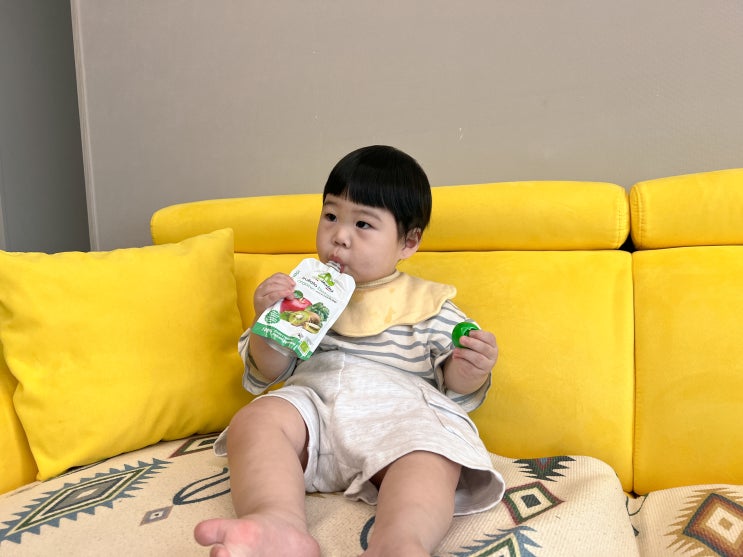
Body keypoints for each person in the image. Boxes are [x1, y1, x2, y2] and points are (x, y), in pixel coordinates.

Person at [194, 145, 504, 557]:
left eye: (362, 223)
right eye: (330, 216)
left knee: (432, 453)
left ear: (408, 242)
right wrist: (268, 326)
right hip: (314, 411)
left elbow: (455, 389)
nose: (340, 235)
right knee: (257, 420)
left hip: (401, 422)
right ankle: (277, 522)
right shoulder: (301, 294)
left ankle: (399, 542)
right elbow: (268, 373)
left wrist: (470, 368)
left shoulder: (429, 305)